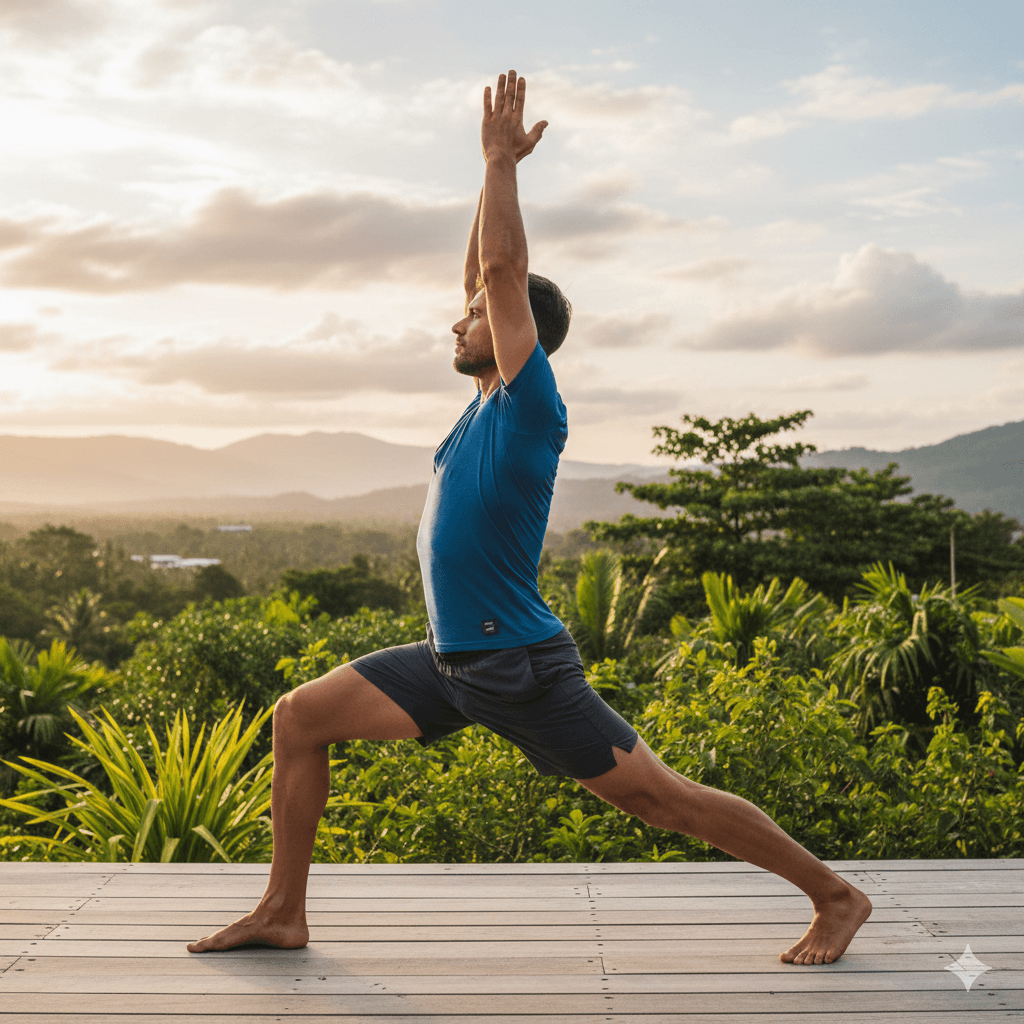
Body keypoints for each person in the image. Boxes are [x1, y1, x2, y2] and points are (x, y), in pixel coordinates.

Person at [188, 70, 872, 965]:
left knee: (664, 799)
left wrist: (498, 161)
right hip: (449, 661)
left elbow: (502, 271)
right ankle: (283, 910)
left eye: (476, 317)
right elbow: (485, 268)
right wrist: (488, 176)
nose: (459, 319)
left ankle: (835, 895)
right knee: (299, 717)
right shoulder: (480, 402)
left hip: (517, 666)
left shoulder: (527, 401)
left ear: (518, 334)